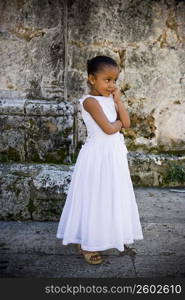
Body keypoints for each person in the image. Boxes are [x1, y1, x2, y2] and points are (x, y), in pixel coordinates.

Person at [56, 55, 143, 265]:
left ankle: (103, 235)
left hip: (113, 156)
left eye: (115, 80)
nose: (112, 85)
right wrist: (119, 124)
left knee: (110, 196)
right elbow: (108, 128)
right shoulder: (90, 102)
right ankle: (86, 243)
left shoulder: (112, 99)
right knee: (94, 197)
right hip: (97, 156)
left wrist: (119, 102)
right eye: (107, 80)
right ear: (91, 79)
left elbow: (127, 122)